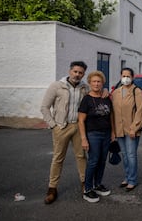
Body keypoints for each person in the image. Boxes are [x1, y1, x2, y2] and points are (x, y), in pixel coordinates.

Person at [41, 61, 89, 204]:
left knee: (81, 156)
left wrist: (105, 91)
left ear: (83, 74)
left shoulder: (84, 88)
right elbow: (44, 107)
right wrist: (53, 125)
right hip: (61, 127)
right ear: (70, 71)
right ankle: (52, 188)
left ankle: (85, 184)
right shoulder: (57, 86)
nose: (77, 75)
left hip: (78, 127)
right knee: (58, 158)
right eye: (75, 71)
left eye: (80, 73)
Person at [78, 71, 114, 203]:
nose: (96, 84)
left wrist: (113, 132)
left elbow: (111, 116)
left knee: (102, 160)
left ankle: (97, 184)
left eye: (99, 81)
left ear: (102, 83)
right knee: (93, 161)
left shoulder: (106, 97)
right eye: (94, 81)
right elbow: (81, 120)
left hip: (106, 133)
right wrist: (83, 138)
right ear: (90, 83)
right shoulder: (86, 99)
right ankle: (87, 189)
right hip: (93, 134)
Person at [111, 68, 142, 191]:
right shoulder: (116, 92)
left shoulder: (136, 91)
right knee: (125, 155)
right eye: (123, 75)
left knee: (131, 155)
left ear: (132, 77)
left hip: (131, 130)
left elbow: (141, 111)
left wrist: (134, 128)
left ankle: (132, 180)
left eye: (128, 76)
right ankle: (127, 177)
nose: (125, 78)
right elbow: (113, 111)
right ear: (120, 76)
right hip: (119, 129)